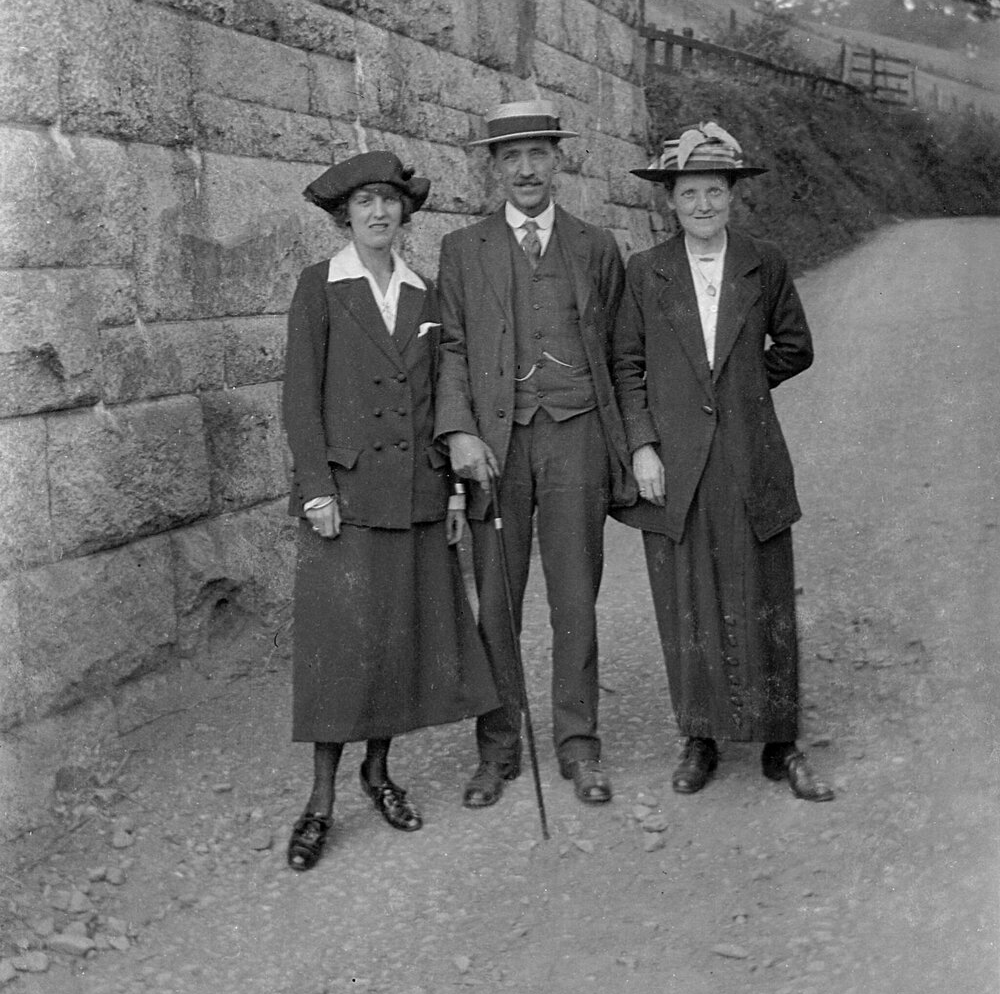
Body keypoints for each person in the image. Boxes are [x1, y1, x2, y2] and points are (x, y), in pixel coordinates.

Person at [282, 151, 499, 871]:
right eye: (366, 203)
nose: (379, 214)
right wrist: (316, 490)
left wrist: (455, 493)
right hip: (345, 502)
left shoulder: (424, 295)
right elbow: (299, 401)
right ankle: (320, 801)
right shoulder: (321, 287)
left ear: (407, 214)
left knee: (398, 643)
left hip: (415, 498)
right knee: (341, 653)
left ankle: (378, 773)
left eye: (390, 202)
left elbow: (443, 399)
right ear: (346, 216)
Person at [613, 121, 833, 801]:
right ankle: (700, 737)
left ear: (733, 195)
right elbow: (627, 363)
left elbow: (795, 346)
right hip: (677, 464)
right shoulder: (646, 271)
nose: (703, 205)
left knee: (764, 593)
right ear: (669, 202)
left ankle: (779, 743)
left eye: (714, 191)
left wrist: (740, 386)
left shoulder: (762, 262)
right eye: (689, 194)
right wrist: (645, 445)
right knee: (688, 598)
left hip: (750, 456)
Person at [435, 101, 635, 810]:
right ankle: (498, 749)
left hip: (577, 433)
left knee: (575, 596)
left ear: (558, 160)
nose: (525, 168)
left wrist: (635, 445)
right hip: (498, 444)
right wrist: (459, 432)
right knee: (497, 602)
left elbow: (621, 353)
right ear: (492, 167)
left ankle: (579, 746)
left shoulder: (596, 245)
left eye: (537, 154)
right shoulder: (464, 251)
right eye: (510, 156)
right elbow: (452, 348)